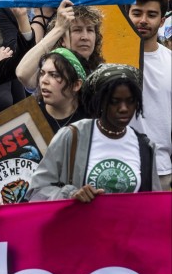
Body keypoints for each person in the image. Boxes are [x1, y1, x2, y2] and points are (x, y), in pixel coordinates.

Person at [29, 64, 161, 201]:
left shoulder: (145, 146)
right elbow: (36, 191)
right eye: (114, 101)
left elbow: (155, 203)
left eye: (131, 101)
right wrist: (70, 195)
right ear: (100, 102)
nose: (123, 108)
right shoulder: (72, 136)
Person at [128, 0, 171, 190]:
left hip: (162, 170)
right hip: (116, 166)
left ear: (162, 21)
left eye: (151, 15)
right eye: (137, 13)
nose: (143, 20)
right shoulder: (107, 57)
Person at [34, 49, 88, 134]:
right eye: (42, 73)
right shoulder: (29, 115)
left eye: (54, 75)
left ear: (76, 85)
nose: (44, 80)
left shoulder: (91, 121)